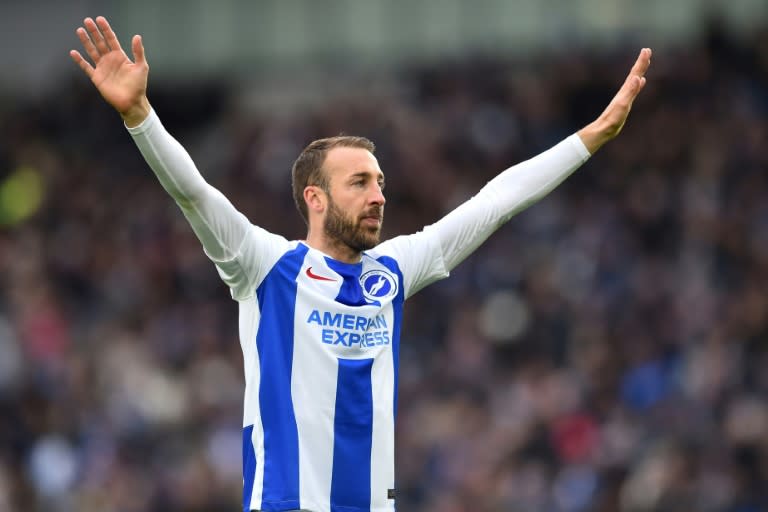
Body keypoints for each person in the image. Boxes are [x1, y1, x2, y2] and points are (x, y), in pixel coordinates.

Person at [70, 15, 651, 512]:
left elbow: (494, 204)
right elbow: (194, 193)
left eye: (380, 182)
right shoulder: (264, 266)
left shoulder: (392, 273)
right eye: (359, 183)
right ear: (314, 198)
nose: (378, 196)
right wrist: (141, 116)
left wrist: (591, 137)